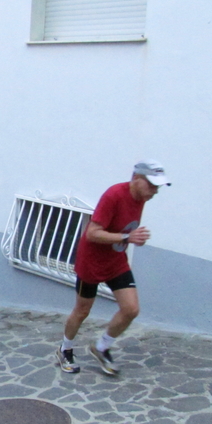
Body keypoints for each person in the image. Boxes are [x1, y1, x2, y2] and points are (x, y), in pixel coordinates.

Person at [58, 160, 171, 376]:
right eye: (152, 185)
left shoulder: (141, 197)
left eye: (158, 187)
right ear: (136, 179)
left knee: (131, 309)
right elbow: (92, 232)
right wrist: (128, 237)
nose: (155, 192)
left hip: (115, 261)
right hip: (91, 262)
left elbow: (126, 230)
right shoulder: (114, 195)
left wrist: (133, 238)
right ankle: (65, 349)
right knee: (82, 311)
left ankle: (101, 348)